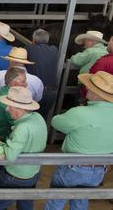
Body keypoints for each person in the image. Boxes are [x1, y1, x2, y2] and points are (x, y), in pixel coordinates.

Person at [44, 70, 113, 210]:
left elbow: (56, 122)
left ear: (97, 93)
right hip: (99, 170)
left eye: (90, 86)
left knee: (56, 201)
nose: (86, 87)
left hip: (73, 167)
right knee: (81, 202)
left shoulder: (80, 112)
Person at [0, 86, 47, 210]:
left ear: (20, 108)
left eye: (10, 106)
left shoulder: (22, 128)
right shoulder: (38, 118)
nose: (7, 109)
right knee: (25, 205)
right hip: (32, 173)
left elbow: (10, 156)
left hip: (15, 177)